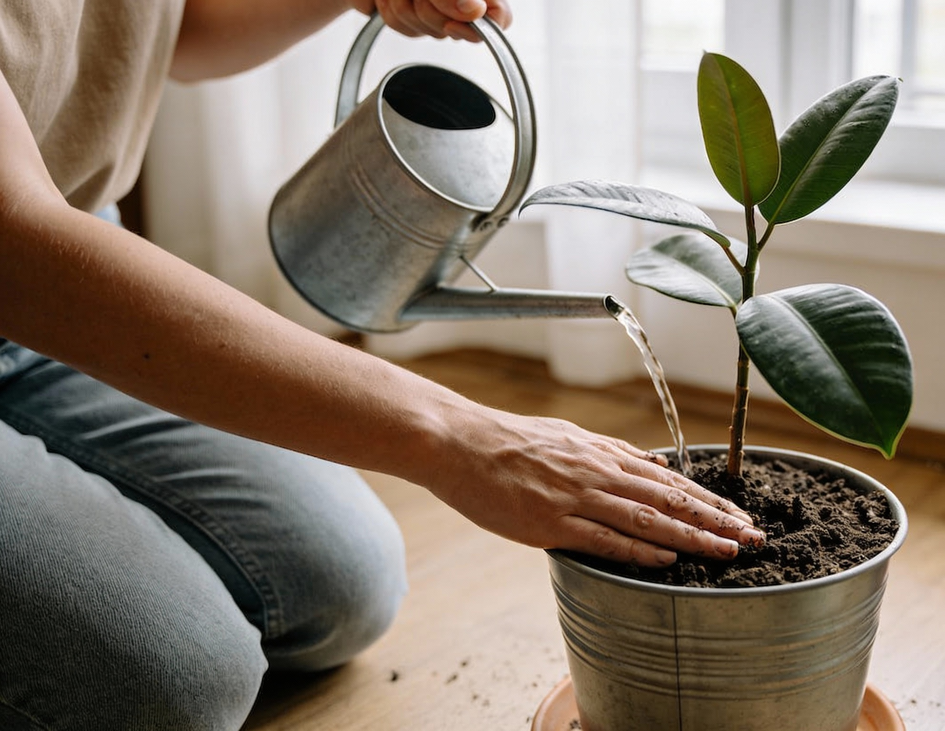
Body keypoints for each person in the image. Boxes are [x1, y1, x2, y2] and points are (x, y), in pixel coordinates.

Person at [0, 1, 765, 728]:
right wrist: (458, 436)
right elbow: (18, 251)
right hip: (36, 265)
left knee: (342, 581)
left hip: (59, 269)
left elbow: (178, 29)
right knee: (176, 680)